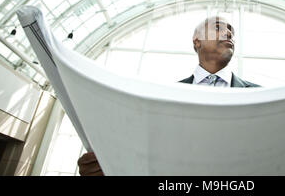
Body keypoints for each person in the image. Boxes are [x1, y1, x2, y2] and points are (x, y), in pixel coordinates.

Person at [77, 16, 260, 176]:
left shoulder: (260, 96)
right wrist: (111, 168)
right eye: (219, 27)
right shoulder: (160, 98)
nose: (229, 33)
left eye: (231, 31)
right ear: (197, 41)